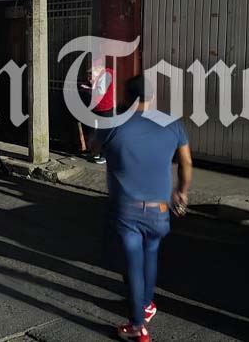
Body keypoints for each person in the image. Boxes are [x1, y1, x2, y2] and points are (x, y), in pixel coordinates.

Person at [95, 75, 192, 342]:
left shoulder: (113, 124)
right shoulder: (171, 123)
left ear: (126, 96)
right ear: (152, 97)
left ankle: (138, 326)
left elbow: (94, 148)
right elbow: (186, 162)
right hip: (159, 209)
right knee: (151, 254)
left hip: (127, 209)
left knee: (133, 264)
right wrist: (181, 192)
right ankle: (147, 304)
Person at [89, 60, 116, 164]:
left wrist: (92, 86)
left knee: (104, 133)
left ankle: (104, 156)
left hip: (105, 107)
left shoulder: (105, 76)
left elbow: (100, 91)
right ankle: (98, 153)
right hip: (100, 107)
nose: (92, 72)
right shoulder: (105, 75)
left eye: (93, 70)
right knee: (99, 132)